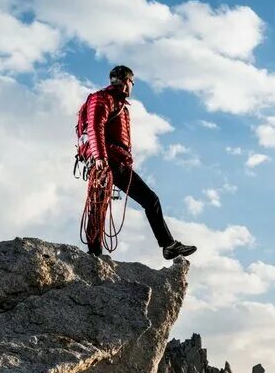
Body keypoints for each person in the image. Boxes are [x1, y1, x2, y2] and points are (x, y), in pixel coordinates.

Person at [81, 65, 196, 259]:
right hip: (108, 162)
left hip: (111, 161)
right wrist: (100, 157)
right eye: (132, 83)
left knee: (99, 203)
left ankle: (94, 253)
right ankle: (167, 245)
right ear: (127, 81)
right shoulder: (103, 98)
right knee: (148, 200)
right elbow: (95, 126)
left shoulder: (114, 101)